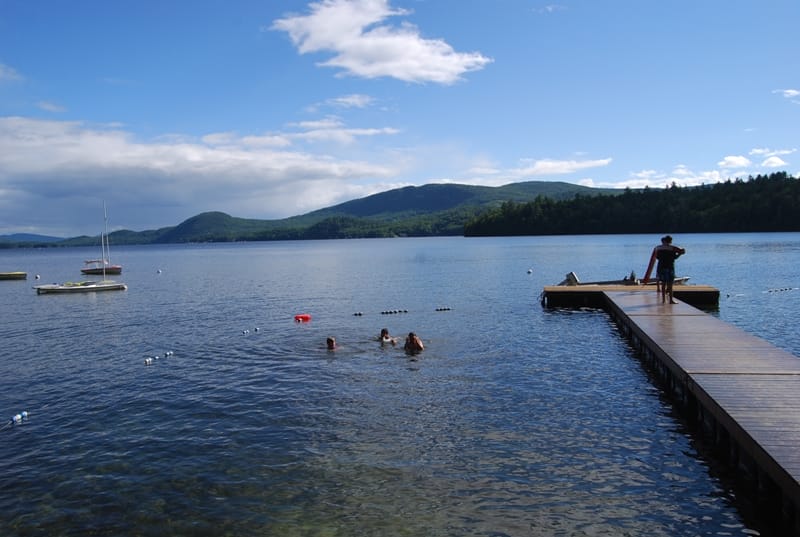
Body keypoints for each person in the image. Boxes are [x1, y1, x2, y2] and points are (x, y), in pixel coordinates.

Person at [651, 235, 686, 304]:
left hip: (661, 267)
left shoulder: (658, 248)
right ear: (670, 241)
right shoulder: (673, 248)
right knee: (670, 285)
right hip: (670, 267)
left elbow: (656, 257)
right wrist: (680, 254)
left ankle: (663, 300)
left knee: (663, 284)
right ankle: (670, 300)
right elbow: (677, 255)